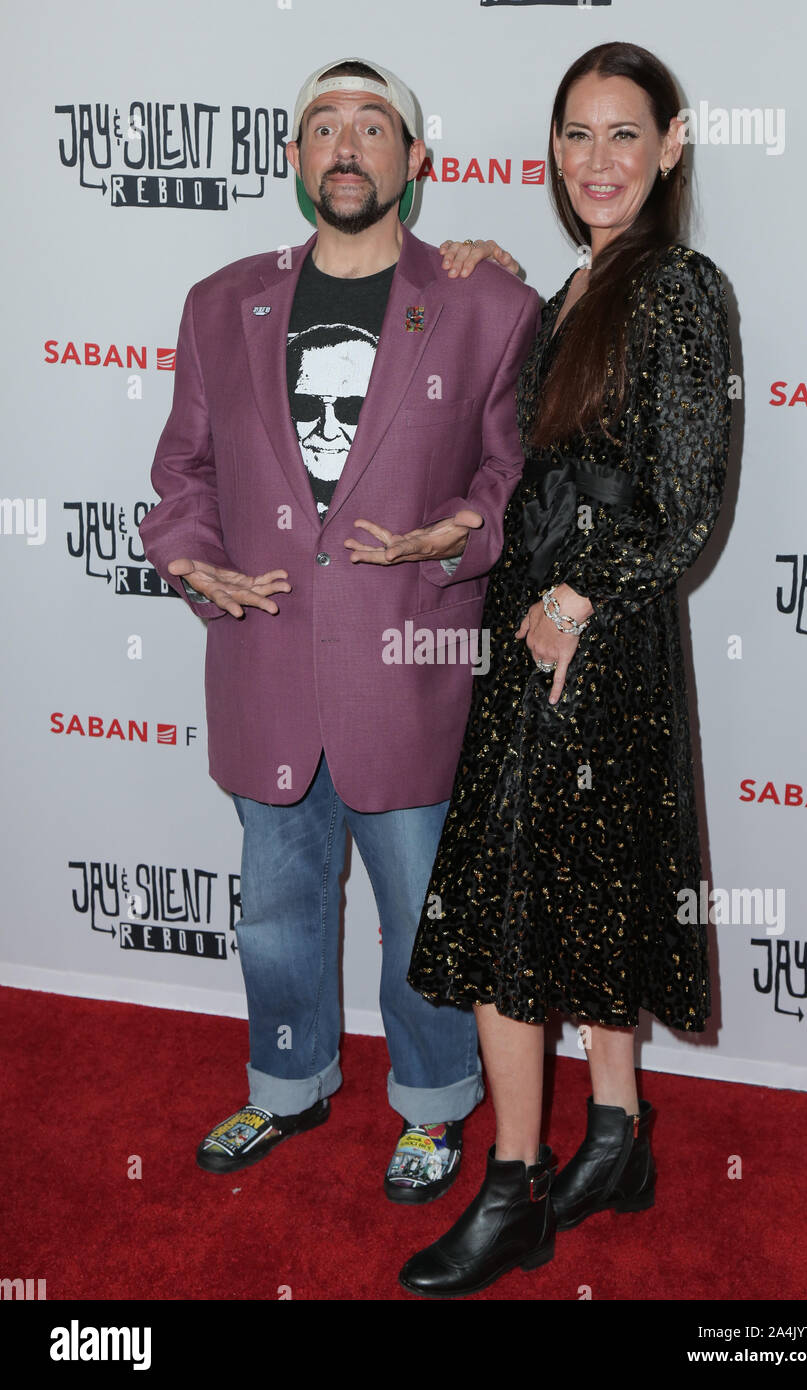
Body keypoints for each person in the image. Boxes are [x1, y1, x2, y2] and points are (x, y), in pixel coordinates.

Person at [138, 57, 540, 1203]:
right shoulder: (221, 300)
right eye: (323, 126)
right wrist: (189, 558)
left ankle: (431, 1105)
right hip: (262, 662)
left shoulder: (487, 304)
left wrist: (457, 531)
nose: (347, 145)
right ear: (294, 159)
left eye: (375, 126)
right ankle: (289, 1083)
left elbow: (515, 476)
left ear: (417, 162)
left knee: (420, 919)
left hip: (408, 670)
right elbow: (182, 470)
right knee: (274, 912)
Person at [397, 41, 733, 1296]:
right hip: (537, 625)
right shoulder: (579, 287)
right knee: (579, 893)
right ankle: (616, 1136)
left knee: (504, 921)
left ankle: (516, 1189)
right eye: (575, 136)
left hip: (584, 639)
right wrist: (488, 272)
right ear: (550, 150)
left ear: (670, 146)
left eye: (623, 135)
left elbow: (687, 503)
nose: (597, 161)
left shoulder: (679, 288)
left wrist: (577, 600)